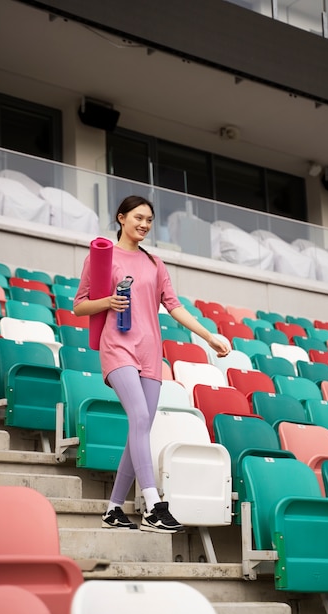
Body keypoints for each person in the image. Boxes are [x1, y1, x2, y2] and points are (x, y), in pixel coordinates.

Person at [73, 195, 230, 533]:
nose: (144, 224)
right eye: (137, 218)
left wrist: (209, 336)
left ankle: (114, 508)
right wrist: (107, 302)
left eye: (148, 220)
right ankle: (153, 505)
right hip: (116, 347)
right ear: (121, 218)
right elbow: (79, 306)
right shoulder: (102, 258)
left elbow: (175, 307)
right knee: (141, 418)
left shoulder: (155, 264)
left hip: (150, 353)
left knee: (139, 428)